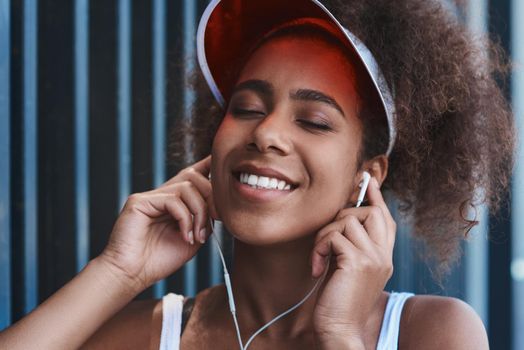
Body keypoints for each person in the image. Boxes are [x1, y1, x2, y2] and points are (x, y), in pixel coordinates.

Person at [0, 0, 515, 349]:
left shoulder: (433, 332)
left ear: (368, 176)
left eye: (313, 120)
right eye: (246, 108)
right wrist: (118, 273)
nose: (266, 132)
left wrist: (338, 333)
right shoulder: (148, 335)